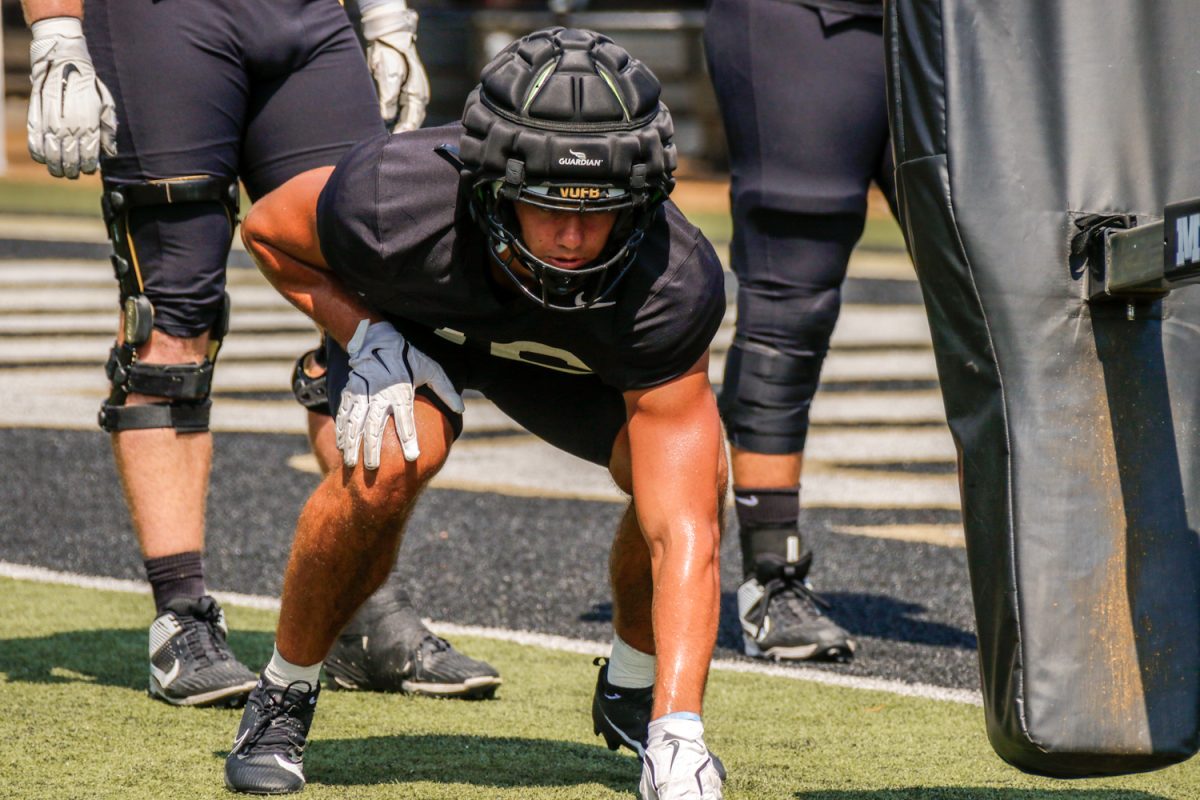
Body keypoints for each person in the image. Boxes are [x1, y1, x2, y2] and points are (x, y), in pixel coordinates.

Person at [222, 27, 729, 799]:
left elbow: (684, 526)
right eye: (545, 205)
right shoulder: (394, 197)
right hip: (421, 325)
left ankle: (637, 696)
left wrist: (683, 730)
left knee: (686, 483)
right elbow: (266, 231)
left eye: (600, 211)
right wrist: (364, 330)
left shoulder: (673, 281)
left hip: (564, 364)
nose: (570, 238)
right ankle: (282, 695)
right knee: (390, 464)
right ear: (491, 181)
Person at [22, 0, 498, 707]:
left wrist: (385, 15)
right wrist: (54, 29)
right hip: (160, 20)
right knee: (174, 314)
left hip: (306, 18)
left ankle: (359, 612)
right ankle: (181, 618)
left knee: (373, 288)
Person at [703, 0, 897, 663]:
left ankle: (1042, 576)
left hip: (985, 31)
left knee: (1013, 297)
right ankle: (771, 572)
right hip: (811, 19)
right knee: (791, 295)